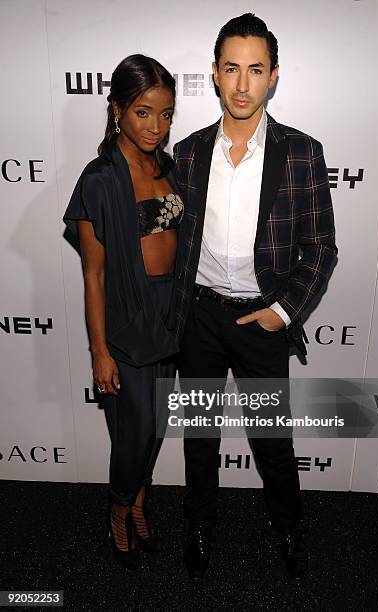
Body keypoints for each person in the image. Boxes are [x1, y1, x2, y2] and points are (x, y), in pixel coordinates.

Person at [173, 13, 337, 579]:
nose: (243, 85)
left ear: (273, 77)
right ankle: (198, 525)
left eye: (256, 70)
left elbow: (320, 247)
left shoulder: (301, 153)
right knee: (199, 435)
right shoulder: (188, 154)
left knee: (272, 440)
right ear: (215, 75)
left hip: (260, 322)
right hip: (199, 318)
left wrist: (283, 312)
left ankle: (289, 527)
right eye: (232, 69)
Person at [63, 54, 182, 569]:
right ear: (116, 110)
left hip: (171, 312)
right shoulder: (99, 179)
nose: (156, 126)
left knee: (154, 425)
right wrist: (100, 352)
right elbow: (94, 274)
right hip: (127, 318)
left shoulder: (166, 166)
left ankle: (137, 503)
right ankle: (117, 511)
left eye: (165, 114)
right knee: (131, 433)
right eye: (142, 112)